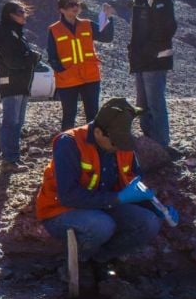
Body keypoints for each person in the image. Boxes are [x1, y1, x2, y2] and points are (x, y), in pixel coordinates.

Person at [35, 98, 178, 276]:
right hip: (60, 211)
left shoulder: (122, 144)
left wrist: (157, 208)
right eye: (115, 143)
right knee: (102, 225)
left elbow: (133, 183)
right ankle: (77, 263)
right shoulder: (69, 143)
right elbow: (68, 196)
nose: (119, 148)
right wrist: (117, 199)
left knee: (148, 223)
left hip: (103, 206)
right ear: (98, 133)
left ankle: (100, 260)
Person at [123, 0, 178, 154]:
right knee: (142, 104)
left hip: (155, 60)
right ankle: (149, 142)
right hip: (141, 60)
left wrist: (149, 49)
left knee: (155, 102)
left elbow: (167, 27)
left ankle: (161, 144)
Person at [47, 0, 115, 131]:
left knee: (93, 115)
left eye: (76, 3)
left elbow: (106, 37)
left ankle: (94, 147)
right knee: (69, 116)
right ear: (62, 9)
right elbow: (52, 56)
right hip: (68, 80)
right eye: (70, 4)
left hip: (90, 77)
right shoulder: (54, 30)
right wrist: (62, 71)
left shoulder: (87, 24)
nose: (75, 7)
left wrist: (108, 18)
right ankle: (67, 147)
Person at [0, 0, 41, 174]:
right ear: (10, 14)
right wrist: (31, 58)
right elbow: (12, 60)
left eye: (24, 11)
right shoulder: (6, 34)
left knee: (17, 123)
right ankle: (9, 160)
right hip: (12, 84)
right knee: (11, 122)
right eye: (20, 11)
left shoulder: (17, 34)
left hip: (21, 84)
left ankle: (14, 157)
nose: (24, 15)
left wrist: (30, 57)